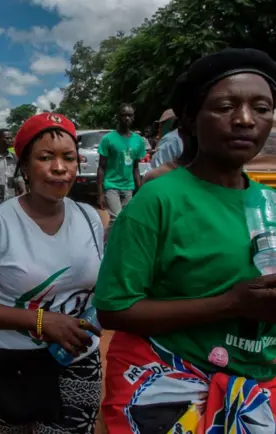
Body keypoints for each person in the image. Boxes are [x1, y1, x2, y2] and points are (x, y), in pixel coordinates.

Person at [94, 48, 276, 432]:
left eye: (261, 107)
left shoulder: (270, 201)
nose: (245, 120)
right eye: (226, 106)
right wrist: (230, 305)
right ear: (191, 121)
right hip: (172, 396)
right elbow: (113, 309)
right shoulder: (158, 200)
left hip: (258, 389)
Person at [0, 112, 104, 433]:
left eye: (69, 158)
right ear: (24, 166)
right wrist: (41, 321)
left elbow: (99, 285)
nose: (59, 167)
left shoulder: (90, 218)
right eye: (45, 157)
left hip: (77, 359)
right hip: (13, 362)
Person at [97, 103, 147, 227]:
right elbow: (101, 167)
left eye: (130, 115)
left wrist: (139, 190)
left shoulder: (138, 141)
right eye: (124, 115)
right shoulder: (108, 139)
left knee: (126, 219)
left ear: (133, 117)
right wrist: (100, 193)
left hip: (128, 187)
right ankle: (109, 245)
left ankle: (113, 242)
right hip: (111, 185)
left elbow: (135, 168)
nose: (127, 118)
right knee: (116, 219)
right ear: (118, 117)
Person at [0, 129, 26, 210]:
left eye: (11, 138)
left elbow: (18, 176)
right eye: (7, 138)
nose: (10, 140)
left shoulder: (14, 158)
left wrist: (23, 189)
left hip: (11, 196)